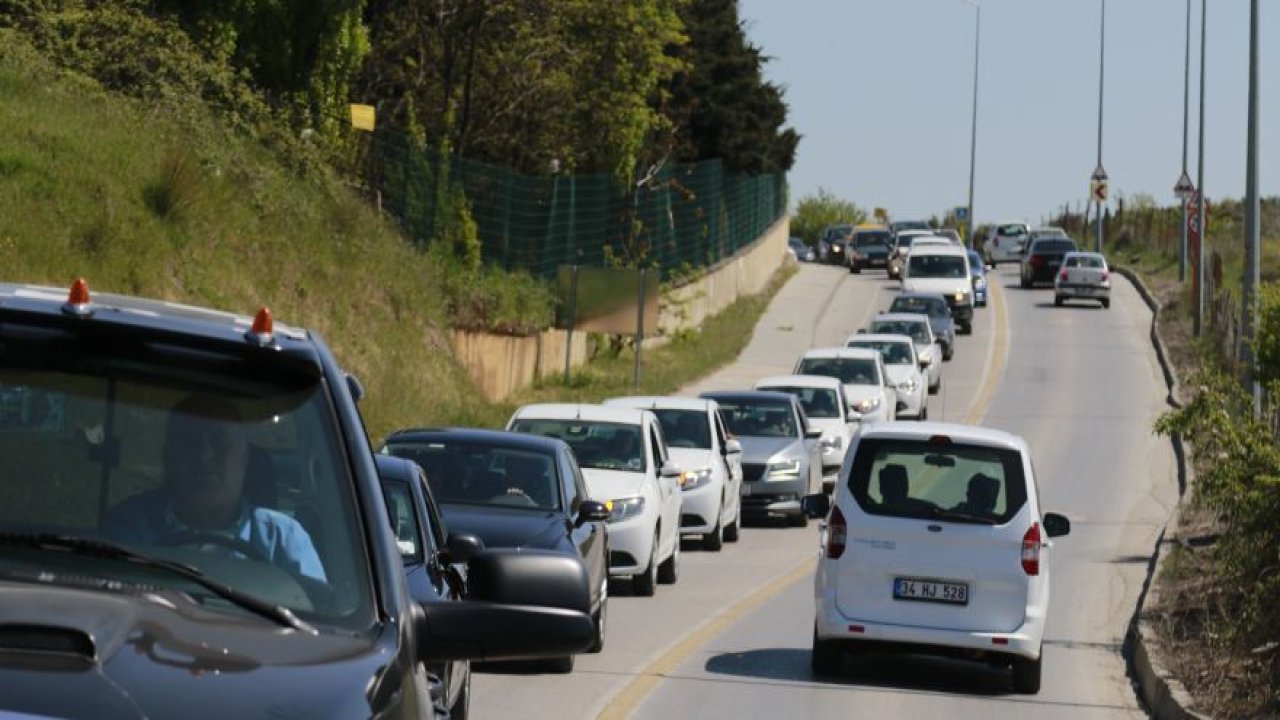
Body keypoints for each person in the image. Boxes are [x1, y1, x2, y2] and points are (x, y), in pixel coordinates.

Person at [103, 394, 326, 582]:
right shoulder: (129, 530)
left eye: (220, 443)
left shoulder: (284, 541)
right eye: (190, 442)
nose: (204, 455)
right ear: (168, 458)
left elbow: (320, 622)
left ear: (245, 459)